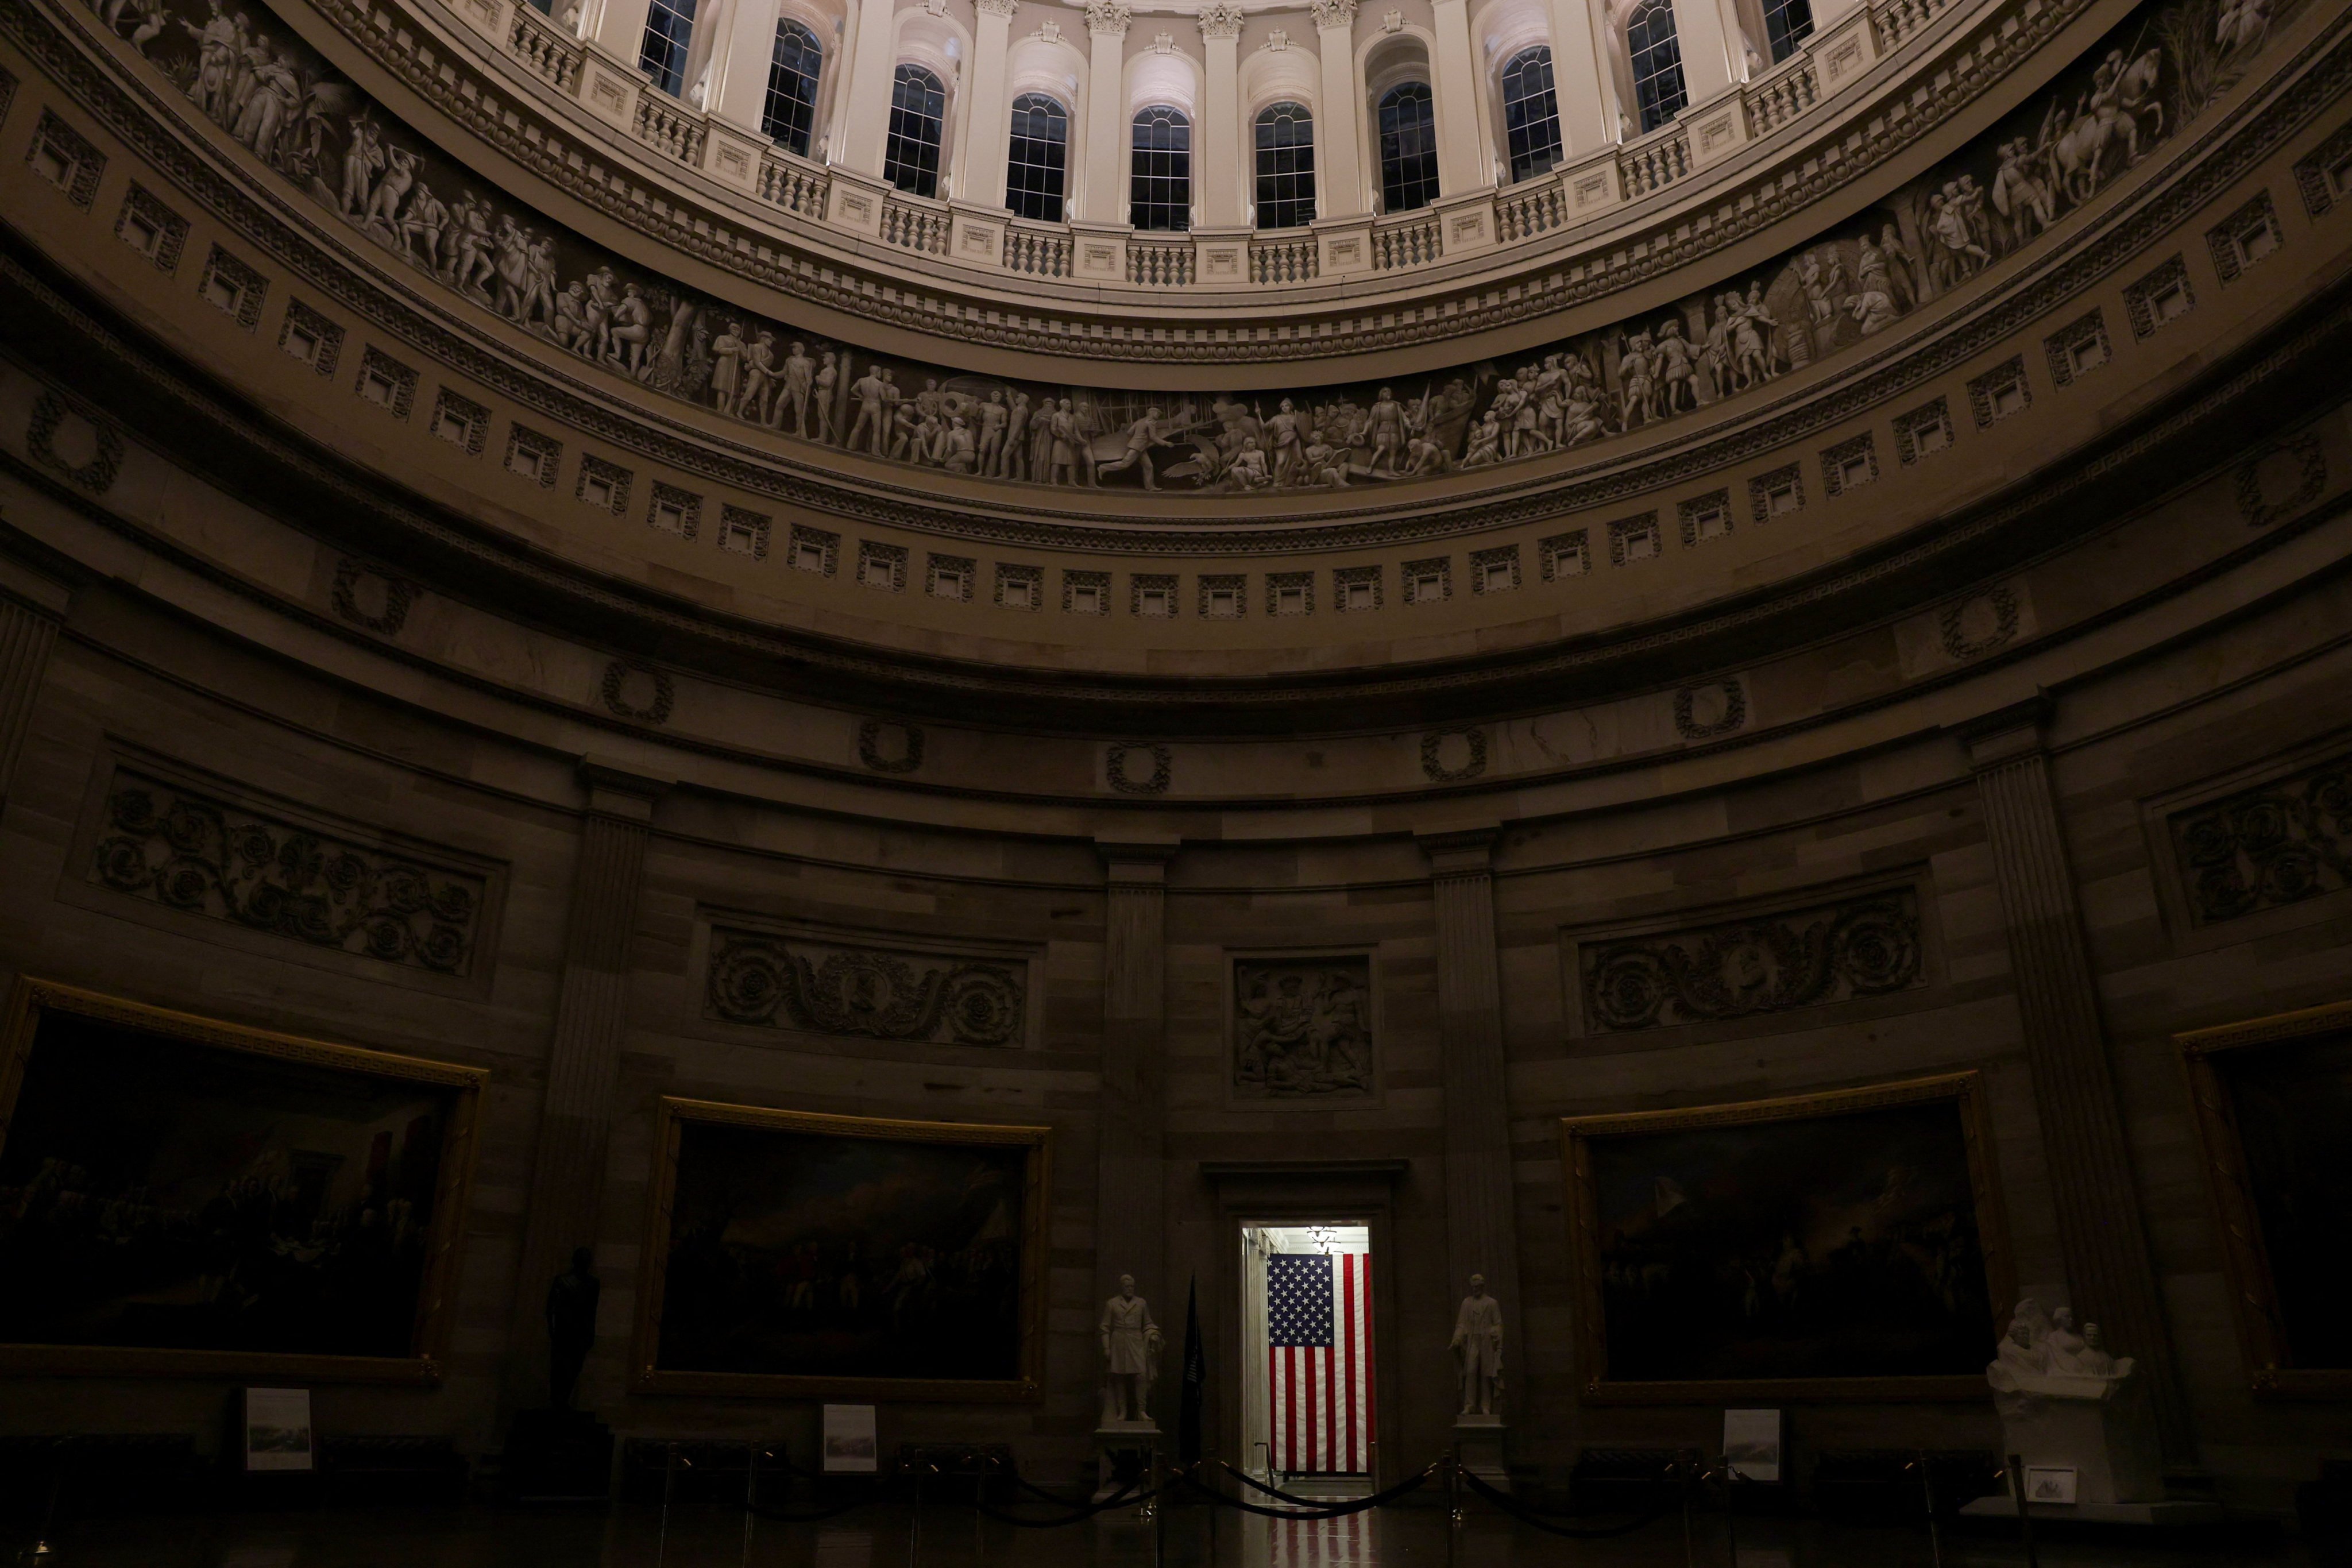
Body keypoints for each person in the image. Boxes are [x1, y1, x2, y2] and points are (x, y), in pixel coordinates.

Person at [1099, 1275, 1164, 1424]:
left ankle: (1142, 1411)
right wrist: (1106, 1348)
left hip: (1136, 1341)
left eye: (1132, 1286)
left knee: (1141, 1375)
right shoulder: (1112, 1304)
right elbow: (1105, 1327)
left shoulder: (1141, 1303)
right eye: (1127, 1287)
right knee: (1119, 1377)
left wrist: (1153, 1334)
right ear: (1122, 1287)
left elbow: (1148, 1323)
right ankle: (1123, 1411)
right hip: (1119, 1342)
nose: (1130, 1289)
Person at [545, 1247, 600, 1411]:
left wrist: (590, 1333)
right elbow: (551, 1308)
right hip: (564, 1331)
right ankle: (557, 1401)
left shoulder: (593, 1283)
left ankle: (563, 1400)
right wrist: (553, 1330)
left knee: (574, 1368)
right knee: (559, 1367)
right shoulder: (563, 1281)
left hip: (579, 1332)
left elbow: (592, 1311)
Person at [1451, 1275, 1504, 1417]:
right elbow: (1461, 1324)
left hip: (1486, 1340)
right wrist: (1457, 1338)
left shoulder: (1492, 1303)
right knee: (1470, 1372)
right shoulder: (1467, 1303)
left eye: (1478, 1287)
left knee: (1486, 1373)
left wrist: (1496, 1335)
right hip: (1473, 1341)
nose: (1475, 1289)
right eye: (1473, 1287)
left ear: (1482, 1287)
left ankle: (1486, 1406)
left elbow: (1498, 1323)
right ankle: (1469, 1405)